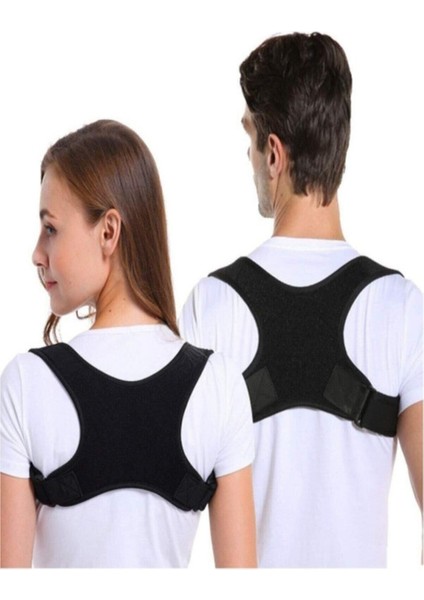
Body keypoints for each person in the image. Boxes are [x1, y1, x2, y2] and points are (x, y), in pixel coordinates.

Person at [180, 33, 423, 567]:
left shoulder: (211, 307)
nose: (248, 157)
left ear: (273, 154)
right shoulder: (402, 311)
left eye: (250, 139)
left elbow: (161, 516)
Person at [0, 120, 256, 568]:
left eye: (51, 228)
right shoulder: (220, 385)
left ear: (108, 231)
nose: (37, 253)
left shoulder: (26, 384)